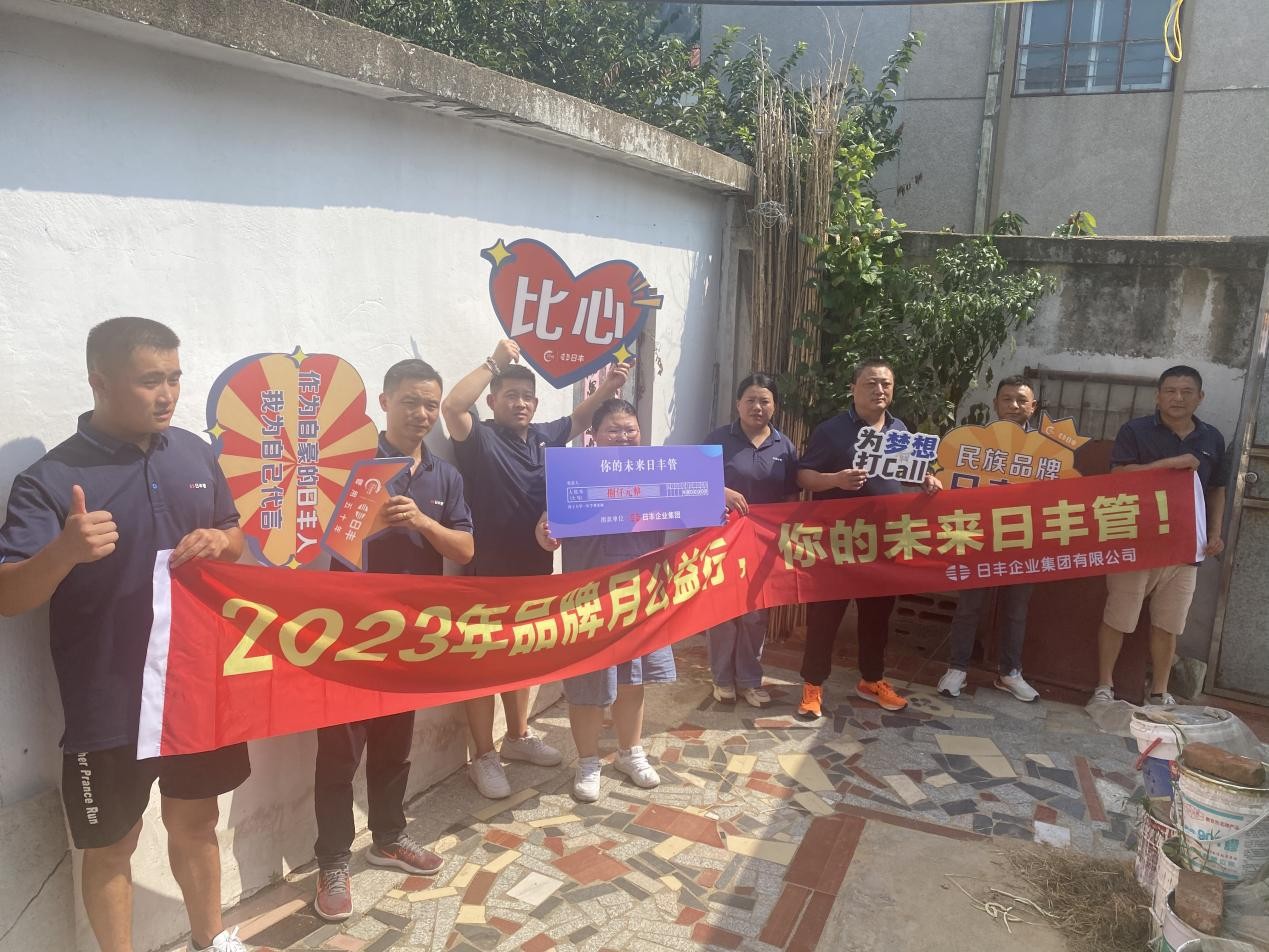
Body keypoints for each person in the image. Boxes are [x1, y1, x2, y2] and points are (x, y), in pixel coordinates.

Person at [0, 318, 249, 952]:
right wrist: (63, 552)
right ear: (101, 382)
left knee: (197, 820)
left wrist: (221, 541)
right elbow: (9, 597)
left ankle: (211, 941)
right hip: (108, 699)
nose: (167, 395)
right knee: (113, 843)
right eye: (149, 381)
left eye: (174, 378)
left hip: (194, 684)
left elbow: (236, 536)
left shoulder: (194, 452)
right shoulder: (50, 480)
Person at [312, 359, 475, 922]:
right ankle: (332, 861)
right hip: (350, 637)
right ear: (384, 402)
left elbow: (465, 550)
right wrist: (373, 523)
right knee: (338, 754)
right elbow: (318, 547)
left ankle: (388, 838)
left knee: (394, 746)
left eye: (430, 404)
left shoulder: (445, 477)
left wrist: (423, 523)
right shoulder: (352, 469)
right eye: (410, 402)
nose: (421, 414)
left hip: (409, 637)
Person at [440, 339, 632, 798]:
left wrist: (609, 386)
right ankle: (483, 756)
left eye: (527, 396)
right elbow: (452, 407)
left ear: (536, 402)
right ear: (493, 401)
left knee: (522, 657)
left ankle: (518, 736)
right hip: (487, 573)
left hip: (536, 571)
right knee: (484, 665)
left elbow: (580, 419)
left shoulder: (545, 437)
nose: (520, 403)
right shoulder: (479, 438)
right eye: (511, 395)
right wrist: (494, 361)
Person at [535, 399, 674, 802]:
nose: (624, 437)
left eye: (630, 429)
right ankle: (588, 761)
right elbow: (547, 528)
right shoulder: (573, 475)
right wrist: (546, 533)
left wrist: (718, 494)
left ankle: (630, 752)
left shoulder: (655, 474)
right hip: (590, 599)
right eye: (614, 430)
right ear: (593, 436)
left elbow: (693, 499)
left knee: (634, 678)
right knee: (587, 682)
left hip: (640, 595)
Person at [795, 358, 942, 717]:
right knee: (825, 616)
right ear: (853, 389)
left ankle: (871, 680)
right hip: (838, 542)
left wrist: (926, 480)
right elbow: (803, 475)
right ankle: (813, 685)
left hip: (882, 543)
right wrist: (834, 480)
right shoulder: (832, 431)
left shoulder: (900, 430)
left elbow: (909, 475)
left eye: (886, 384)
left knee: (877, 617)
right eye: (871, 383)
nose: (879, 390)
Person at [1093, 365, 1227, 705]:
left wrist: (1214, 532)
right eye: (1170, 391)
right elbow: (1118, 476)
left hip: (1185, 547)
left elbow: (1216, 489)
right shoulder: (1135, 430)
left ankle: (1159, 692)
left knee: (1170, 624)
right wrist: (1170, 465)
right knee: (1119, 616)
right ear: (1158, 396)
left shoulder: (1212, 438)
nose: (1178, 397)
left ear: (1200, 397)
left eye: (1186, 391)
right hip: (1136, 541)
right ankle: (1104, 686)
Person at [937, 376, 1041, 703]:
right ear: (995, 404)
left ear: (1033, 407)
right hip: (977, 538)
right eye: (1007, 399)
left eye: (1021, 400)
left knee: (1016, 610)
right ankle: (957, 669)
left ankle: (1011, 673)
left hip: (1023, 540)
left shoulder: (1046, 452)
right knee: (969, 606)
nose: (1013, 406)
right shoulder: (975, 445)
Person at [702, 373, 799, 707]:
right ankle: (721, 678)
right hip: (720, 539)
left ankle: (749, 680)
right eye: (751, 400)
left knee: (755, 613)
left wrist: (785, 538)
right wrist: (721, 491)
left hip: (762, 544)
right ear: (738, 404)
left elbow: (790, 497)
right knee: (722, 610)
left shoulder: (784, 447)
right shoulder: (717, 440)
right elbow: (693, 482)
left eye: (764, 401)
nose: (757, 407)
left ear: (774, 406)